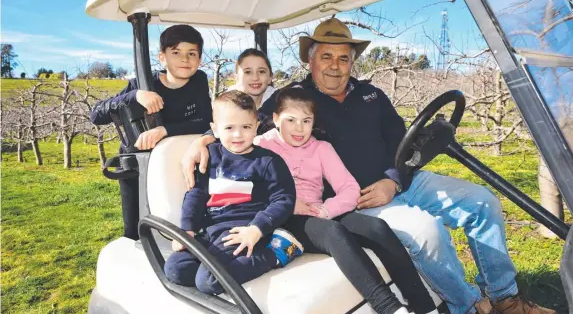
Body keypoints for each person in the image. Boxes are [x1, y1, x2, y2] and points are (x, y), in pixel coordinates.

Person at [183, 18, 555, 314]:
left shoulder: (371, 94)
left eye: (344, 58)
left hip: (400, 180)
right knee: (428, 232)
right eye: (326, 57)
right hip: (356, 197)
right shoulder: (293, 100)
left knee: (482, 202)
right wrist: (204, 139)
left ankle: (505, 298)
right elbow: (240, 124)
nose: (335, 65)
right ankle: (469, 305)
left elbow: (401, 141)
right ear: (309, 60)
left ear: (352, 62)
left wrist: (394, 180)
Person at [255, 87, 438, 314]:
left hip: (317, 212)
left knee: (376, 227)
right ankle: (389, 308)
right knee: (333, 232)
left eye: (306, 120)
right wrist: (288, 204)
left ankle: (424, 306)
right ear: (275, 119)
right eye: (290, 120)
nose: (299, 128)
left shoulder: (321, 148)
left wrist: (325, 210)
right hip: (283, 216)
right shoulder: (261, 145)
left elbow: (349, 189)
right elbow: (249, 183)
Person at [164, 91, 299, 294]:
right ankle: (221, 263)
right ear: (215, 129)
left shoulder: (268, 161)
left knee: (208, 282)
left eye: (245, 127)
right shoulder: (209, 156)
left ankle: (273, 254)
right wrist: (187, 229)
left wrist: (257, 228)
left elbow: (284, 199)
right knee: (176, 269)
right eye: (229, 128)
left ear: (256, 127)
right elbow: (196, 194)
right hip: (211, 232)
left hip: (245, 231)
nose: (238, 135)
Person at [90, 24, 213, 240]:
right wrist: (134, 96)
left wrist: (163, 130)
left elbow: (204, 120)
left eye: (191, 53)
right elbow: (96, 115)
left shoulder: (199, 81)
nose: (185, 59)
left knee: (179, 217)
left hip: (180, 163)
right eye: (176, 53)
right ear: (162, 57)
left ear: (200, 59)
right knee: (136, 226)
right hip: (138, 167)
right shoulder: (143, 84)